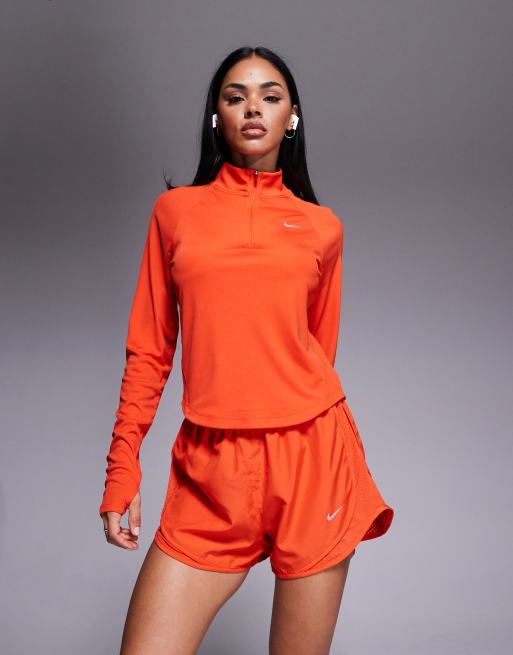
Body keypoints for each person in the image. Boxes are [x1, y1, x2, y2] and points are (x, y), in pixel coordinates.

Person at [99, 45, 394, 655]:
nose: (253, 108)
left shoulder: (322, 226)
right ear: (217, 116)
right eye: (236, 97)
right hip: (212, 465)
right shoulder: (175, 213)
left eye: (270, 96)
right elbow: (150, 348)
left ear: (292, 116)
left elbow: (317, 349)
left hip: (311, 458)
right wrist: (123, 466)